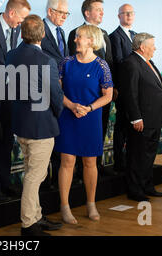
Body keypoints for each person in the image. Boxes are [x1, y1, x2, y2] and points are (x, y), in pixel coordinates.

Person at [6, 15, 64, 236]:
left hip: (20, 123)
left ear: (21, 34)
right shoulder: (46, 61)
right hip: (41, 126)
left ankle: (37, 216)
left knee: (31, 171)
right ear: (43, 35)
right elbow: (55, 95)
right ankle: (29, 224)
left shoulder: (11, 55)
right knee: (34, 176)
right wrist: (57, 114)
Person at [54, 25, 113, 224]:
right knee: (67, 162)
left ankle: (91, 204)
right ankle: (65, 207)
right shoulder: (66, 63)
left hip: (90, 118)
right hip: (68, 117)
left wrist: (89, 108)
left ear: (91, 40)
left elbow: (108, 96)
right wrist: (71, 106)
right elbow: (57, 92)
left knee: (90, 163)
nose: (75, 40)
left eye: (79, 37)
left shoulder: (101, 65)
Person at [0, 0, 31, 201]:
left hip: (10, 94)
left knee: (6, 141)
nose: (21, 24)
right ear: (11, 13)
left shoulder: (16, 29)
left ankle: (4, 182)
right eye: (20, 19)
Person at [67, 0, 114, 177]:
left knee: (99, 128)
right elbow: (73, 64)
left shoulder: (105, 33)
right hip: (82, 94)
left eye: (103, 9)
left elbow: (109, 61)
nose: (102, 12)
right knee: (78, 130)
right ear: (87, 13)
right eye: (98, 9)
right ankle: (79, 169)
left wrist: (112, 87)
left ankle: (96, 164)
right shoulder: (74, 33)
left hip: (102, 93)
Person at [120, 33, 162, 202]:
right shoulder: (131, 64)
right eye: (152, 45)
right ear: (142, 46)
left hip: (154, 119)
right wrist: (136, 118)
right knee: (137, 156)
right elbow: (129, 94)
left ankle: (147, 186)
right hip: (141, 121)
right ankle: (135, 190)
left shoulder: (149, 62)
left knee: (149, 156)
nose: (155, 48)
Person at [40, 0, 70, 190]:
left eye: (67, 13)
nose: (65, 17)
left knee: (59, 141)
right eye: (61, 13)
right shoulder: (38, 30)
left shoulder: (62, 32)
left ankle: (57, 184)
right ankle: (43, 185)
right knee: (44, 146)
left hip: (60, 95)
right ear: (50, 11)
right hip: (43, 95)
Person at [109, 4, 137, 173]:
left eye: (131, 13)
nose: (129, 16)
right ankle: (119, 161)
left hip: (134, 87)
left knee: (130, 124)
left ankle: (130, 160)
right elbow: (118, 61)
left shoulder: (135, 35)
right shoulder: (115, 36)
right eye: (125, 13)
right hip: (123, 87)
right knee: (121, 125)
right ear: (119, 16)